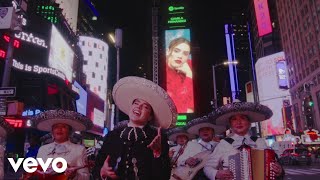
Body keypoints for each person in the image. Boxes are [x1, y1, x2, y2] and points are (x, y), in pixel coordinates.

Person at [93, 76, 177, 180]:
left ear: (150, 116)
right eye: (136, 103)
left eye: (145, 107)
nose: (139, 107)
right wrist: (102, 172)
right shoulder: (113, 135)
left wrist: (157, 154)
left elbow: (163, 176)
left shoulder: (157, 138)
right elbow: (97, 167)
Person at [203, 101, 284, 180]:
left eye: (243, 118)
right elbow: (208, 167)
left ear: (249, 123)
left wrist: (279, 171)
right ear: (230, 124)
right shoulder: (224, 143)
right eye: (234, 119)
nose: (239, 122)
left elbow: (271, 166)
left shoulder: (259, 141)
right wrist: (216, 174)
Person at [30, 109, 93, 180]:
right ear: (52, 131)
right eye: (56, 127)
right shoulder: (43, 149)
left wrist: (74, 175)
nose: (59, 129)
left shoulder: (79, 150)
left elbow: (86, 177)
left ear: (69, 131)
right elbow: (36, 171)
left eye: (64, 127)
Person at [166, 37, 194, 113]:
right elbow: (177, 107)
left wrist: (189, 73)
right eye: (176, 51)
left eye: (185, 53)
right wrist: (189, 76)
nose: (180, 56)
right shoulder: (162, 71)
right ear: (168, 51)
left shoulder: (191, 65)